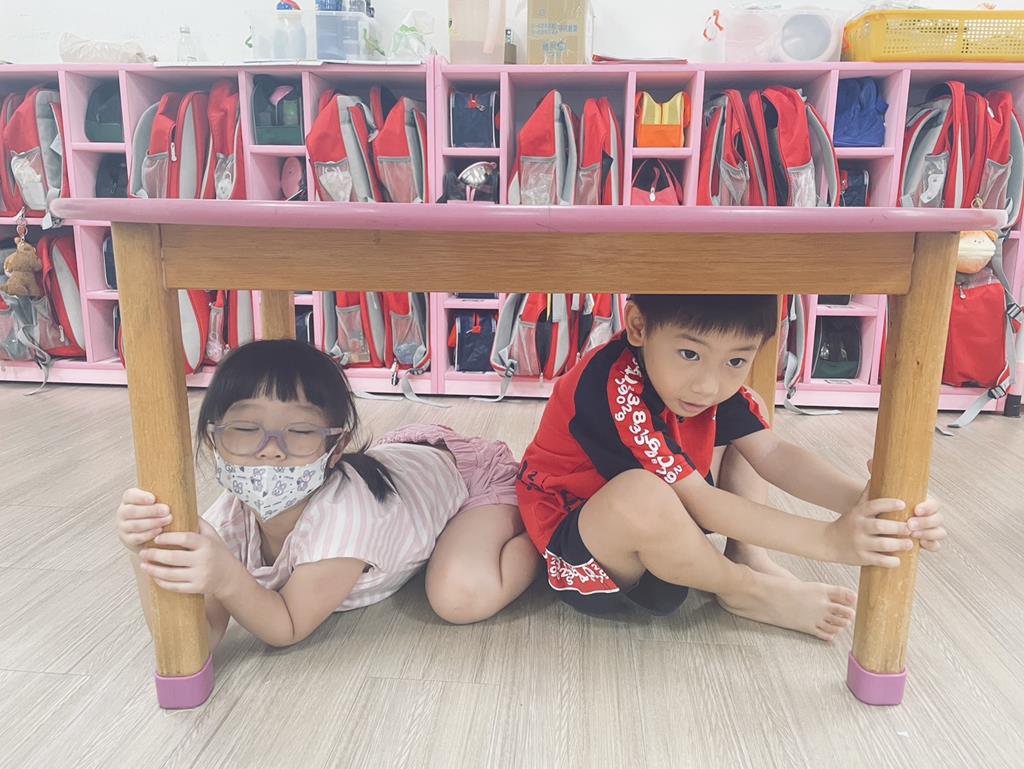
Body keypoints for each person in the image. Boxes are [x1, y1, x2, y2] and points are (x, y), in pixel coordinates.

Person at [516, 294, 946, 640]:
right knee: (641, 493)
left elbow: (773, 455)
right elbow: (700, 501)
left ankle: (747, 555)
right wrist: (829, 541)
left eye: (736, 361)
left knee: (747, 415)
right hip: (584, 547)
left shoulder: (699, 387)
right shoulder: (615, 387)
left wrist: (869, 502)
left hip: (665, 524)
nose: (708, 385)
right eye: (689, 353)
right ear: (639, 326)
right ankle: (744, 589)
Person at [115, 339, 538, 650]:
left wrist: (226, 577)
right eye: (245, 428)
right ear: (213, 440)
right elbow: (200, 638)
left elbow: (287, 625)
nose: (271, 449)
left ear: (336, 449)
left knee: (458, 597)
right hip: (402, 469)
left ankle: (545, 539)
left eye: (300, 431)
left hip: (471, 477)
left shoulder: (344, 520)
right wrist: (146, 554)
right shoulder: (230, 516)